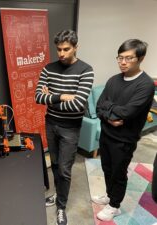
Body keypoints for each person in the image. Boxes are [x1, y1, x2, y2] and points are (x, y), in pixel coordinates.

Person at [35, 30, 94, 225]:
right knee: (56, 165)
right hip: (51, 124)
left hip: (70, 128)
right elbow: (38, 97)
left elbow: (78, 105)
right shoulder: (48, 68)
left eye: (66, 49)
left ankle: (61, 206)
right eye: (58, 49)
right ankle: (58, 195)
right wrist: (61, 96)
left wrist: (50, 97)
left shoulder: (86, 70)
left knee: (65, 170)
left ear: (76, 47)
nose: (61, 53)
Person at [92, 39, 155, 221]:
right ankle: (110, 196)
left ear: (140, 58)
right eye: (120, 58)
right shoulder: (113, 80)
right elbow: (99, 106)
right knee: (106, 168)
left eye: (128, 58)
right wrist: (111, 116)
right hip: (106, 134)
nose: (123, 62)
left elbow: (128, 112)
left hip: (124, 139)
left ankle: (114, 206)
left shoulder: (145, 85)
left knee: (118, 173)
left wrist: (109, 109)